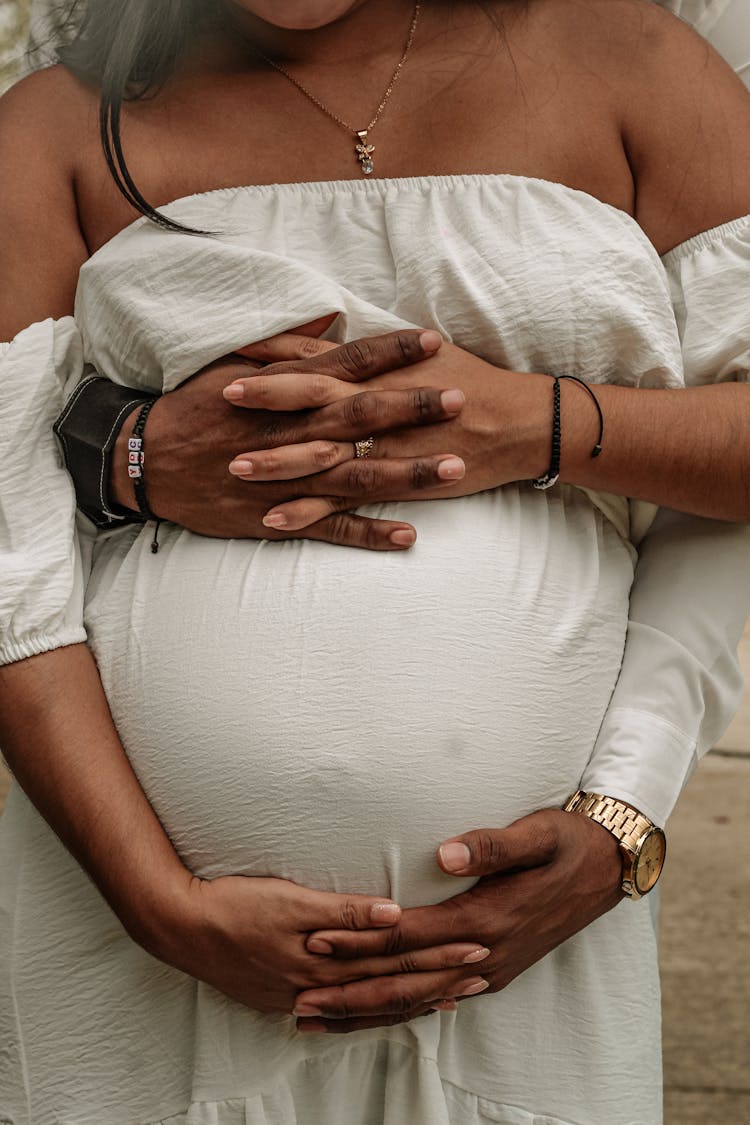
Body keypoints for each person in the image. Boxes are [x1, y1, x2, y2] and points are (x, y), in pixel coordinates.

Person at [0, 1, 749, 1123]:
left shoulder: (639, 65)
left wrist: (621, 819)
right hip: (134, 961)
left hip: (525, 949)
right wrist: (154, 902)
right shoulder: (56, 130)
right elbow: (12, 555)